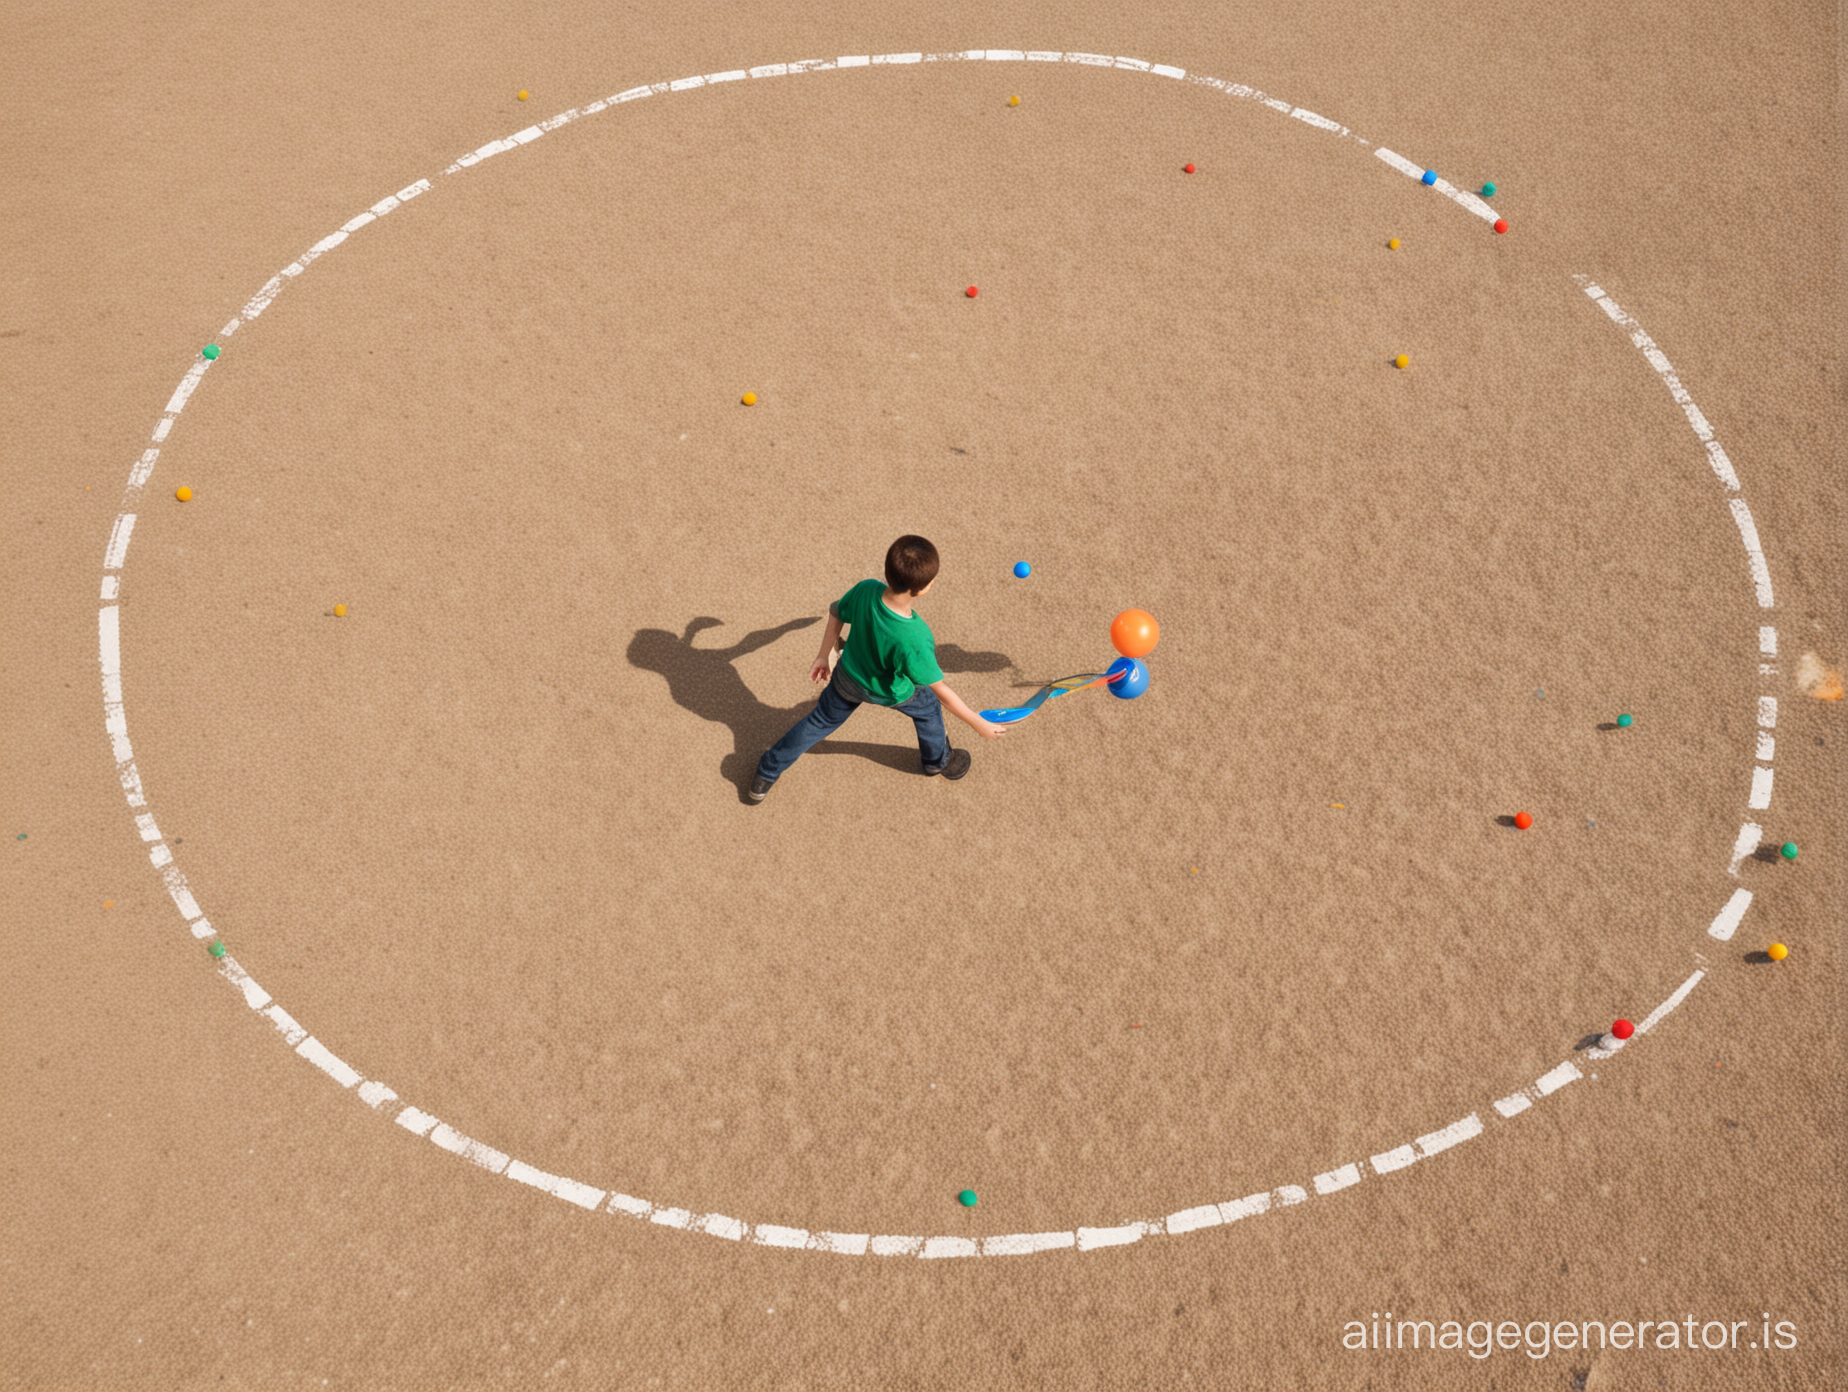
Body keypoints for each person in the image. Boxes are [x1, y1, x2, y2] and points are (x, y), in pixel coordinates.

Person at [749, 535, 1007, 802]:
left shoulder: (865, 589)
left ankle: (766, 772)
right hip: (886, 691)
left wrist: (823, 656)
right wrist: (978, 722)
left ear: (887, 572)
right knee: (928, 707)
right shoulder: (914, 637)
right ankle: (937, 761)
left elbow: (836, 612)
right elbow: (940, 690)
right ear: (923, 589)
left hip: (846, 676)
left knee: (819, 721)